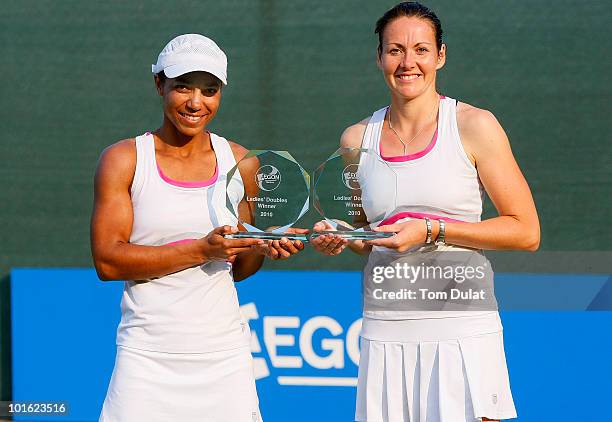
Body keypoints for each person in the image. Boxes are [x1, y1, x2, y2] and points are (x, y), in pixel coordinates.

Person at [312, 2, 540, 421]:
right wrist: (345, 235)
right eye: (395, 50)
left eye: (420, 49)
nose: (407, 62)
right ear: (379, 57)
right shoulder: (356, 138)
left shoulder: (475, 125)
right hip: (385, 333)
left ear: (440, 56)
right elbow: (373, 235)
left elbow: (525, 231)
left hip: (463, 331)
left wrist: (433, 229)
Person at [91, 33, 306, 422]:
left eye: (209, 90)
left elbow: (238, 269)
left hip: (225, 359)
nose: (196, 102)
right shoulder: (123, 159)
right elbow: (108, 261)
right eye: (183, 87)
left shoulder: (241, 162)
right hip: (146, 357)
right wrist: (201, 250)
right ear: (159, 84)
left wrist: (260, 247)